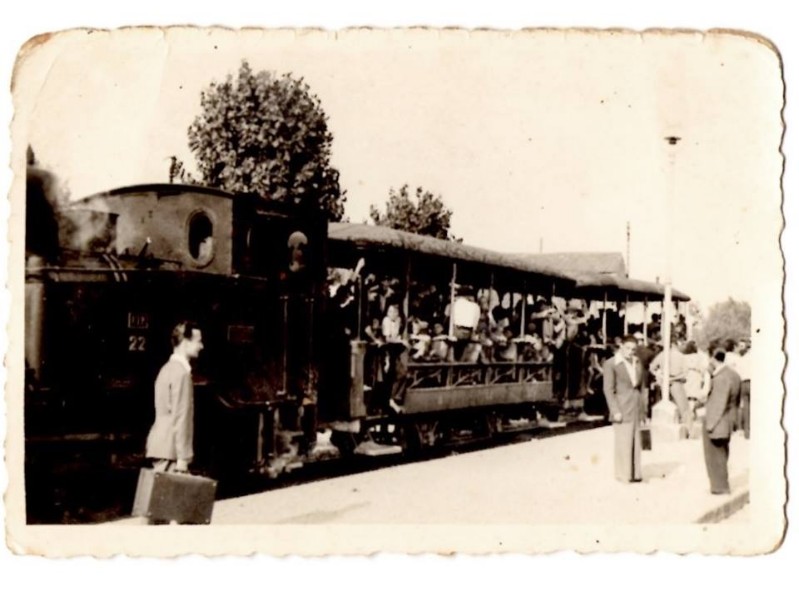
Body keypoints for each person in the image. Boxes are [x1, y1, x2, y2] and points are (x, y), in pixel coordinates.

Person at [145, 321, 204, 474]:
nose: (201, 346)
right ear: (185, 342)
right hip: (171, 451)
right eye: (198, 341)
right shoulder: (182, 374)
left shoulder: (165, 369)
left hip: (160, 446)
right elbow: (181, 417)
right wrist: (183, 458)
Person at [602, 335, 645, 483]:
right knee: (623, 440)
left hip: (635, 406)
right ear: (621, 346)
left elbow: (641, 386)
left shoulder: (637, 362)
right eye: (627, 348)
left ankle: (635, 474)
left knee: (636, 441)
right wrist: (615, 410)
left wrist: (643, 409)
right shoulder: (611, 364)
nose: (630, 351)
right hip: (621, 407)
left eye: (633, 349)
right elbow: (608, 389)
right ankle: (623, 474)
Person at [701, 348, 742, 494]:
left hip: (717, 422)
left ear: (712, 359)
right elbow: (736, 402)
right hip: (728, 421)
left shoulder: (720, 379)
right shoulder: (734, 375)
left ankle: (719, 487)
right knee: (723, 454)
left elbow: (718, 404)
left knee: (714, 456)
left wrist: (710, 424)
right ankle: (721, 485)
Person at [650, 336, 691, 430]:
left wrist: (660, 375)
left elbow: (652, 367)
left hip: (664, 383)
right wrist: (673, 378)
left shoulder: (662, 354)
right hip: (676, 382)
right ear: (674, 344)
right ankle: (688, 430)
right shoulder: (680, 356)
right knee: (683, 408)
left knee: (663, 406)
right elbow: (685, 373)